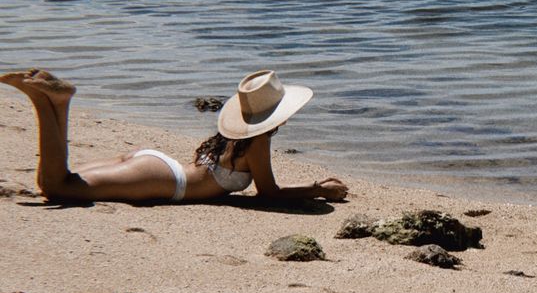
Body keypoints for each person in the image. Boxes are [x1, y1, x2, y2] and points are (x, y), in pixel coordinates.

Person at [0, 68, 348, 205]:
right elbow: (268, 193)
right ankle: (46, 101)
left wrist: (314, 186)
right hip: (166, 181)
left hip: (156, 168)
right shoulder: (258, 140)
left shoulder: (237, 138)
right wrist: (317, 189)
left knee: (62, 181)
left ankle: (53, 103)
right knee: (56, 187)